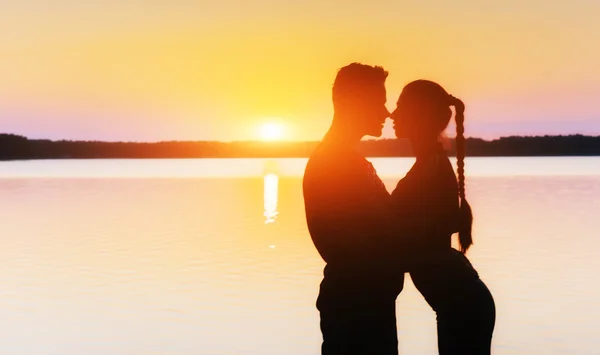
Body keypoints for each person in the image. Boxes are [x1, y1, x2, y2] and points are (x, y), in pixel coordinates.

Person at [303, 63, 405, 355]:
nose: (386, 112)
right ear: (352, 103)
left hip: (366, 306)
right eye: (378, 101)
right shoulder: (335, 164)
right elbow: (370, 241)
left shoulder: (346, 161)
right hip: (357, 314)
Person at [390, 80, 496, 355]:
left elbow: (412, 241)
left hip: (463, 305)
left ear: (418, 116)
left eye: (401, 107)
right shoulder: (429, 165)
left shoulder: (430, 170)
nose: (392, 114)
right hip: (460, 302)